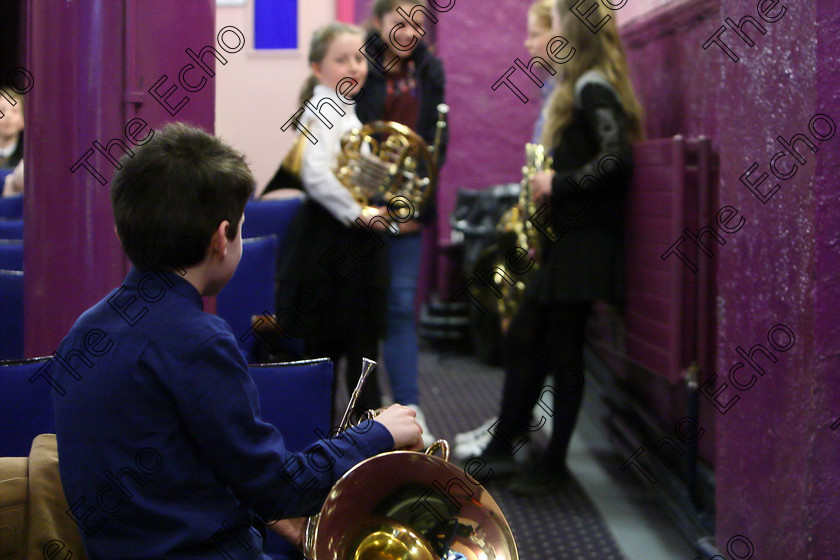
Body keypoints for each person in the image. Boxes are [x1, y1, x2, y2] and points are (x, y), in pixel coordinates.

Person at [51, 122, 423, 559]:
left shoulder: (84, 329)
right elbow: (279, 489)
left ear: (120, 231)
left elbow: (178, 467)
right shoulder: (200, 340)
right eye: (241, 228)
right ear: (221, 239)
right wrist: (376, 434)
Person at [468, 0, 644, 494]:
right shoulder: (580, 86)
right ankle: (507, 447)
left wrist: (556, 183)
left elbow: (617, 159)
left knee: (565, 352)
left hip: (585, 245)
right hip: (571, 243)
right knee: (529, 336)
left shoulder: (591, 87)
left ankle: (551, 465)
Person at [454, 0, 557, 461]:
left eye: (535, 33)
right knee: (518, 334)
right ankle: (509, 426)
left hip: (552, 239)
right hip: (538, 230)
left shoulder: (568, 93)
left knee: (526, 336)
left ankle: (509, 434)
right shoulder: (551, 89)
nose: (526, 43)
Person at [275, 23, 392, 416]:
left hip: (346, 244)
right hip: (328, 245)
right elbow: (315, 174)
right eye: (341, 59)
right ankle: (340, 450)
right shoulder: (323, 108)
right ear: (316, 68)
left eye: (359, 58)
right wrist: (358, 214)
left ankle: (361, 449)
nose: (355, 67)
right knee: (331, 356)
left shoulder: (345, 111)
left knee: (359, 355)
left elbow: (344, 175)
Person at [355, 0, 448, 446]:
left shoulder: (431, 69)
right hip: (362, 209)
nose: (410, 32)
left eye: (418, 24)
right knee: (361, 311)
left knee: (400, 307)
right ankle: (363, 417)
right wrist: (373, 204)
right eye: (400, 22)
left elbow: (436, 143)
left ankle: (410, 410)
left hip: (410, 208)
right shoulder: (360, 62)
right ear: (379, 21)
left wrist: (408, 206)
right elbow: (351, 139)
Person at [0, 90, 24, 169]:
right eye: (2, 110)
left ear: (23, 120)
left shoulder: (27, 156)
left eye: (14, 111)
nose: (8, 116)